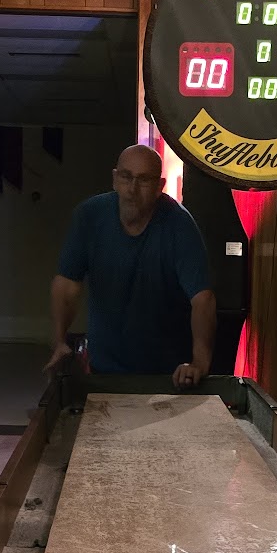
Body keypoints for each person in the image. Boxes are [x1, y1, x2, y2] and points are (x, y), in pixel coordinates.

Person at [50, 144, 215, 387]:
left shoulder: (179, 225)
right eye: (126, 177)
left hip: (167, 373)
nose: (132, 189)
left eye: (144, 180)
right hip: (103, 367)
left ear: (159, 186)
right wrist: (59, 342)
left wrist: (199, 363)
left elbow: (203, 299)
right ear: (115, 179)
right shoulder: (89, 216)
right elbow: (66, 285)